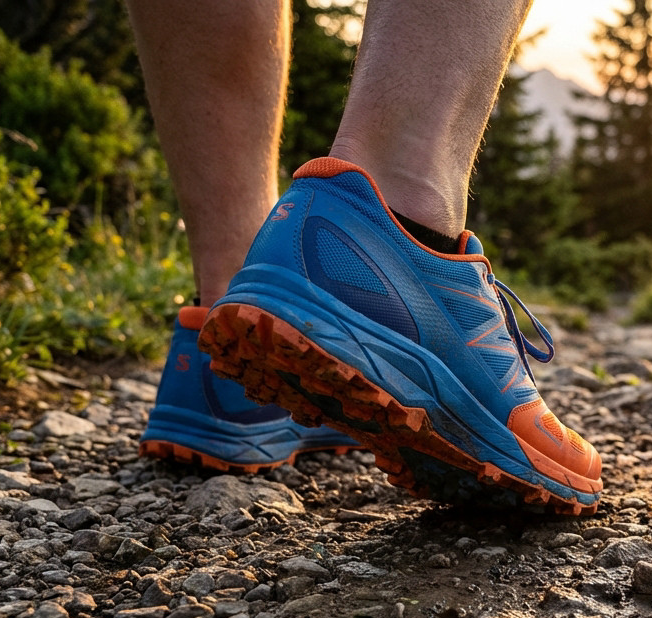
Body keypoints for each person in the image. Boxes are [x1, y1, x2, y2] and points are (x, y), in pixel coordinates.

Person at [128, 0, 602, 515]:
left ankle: (226, 313)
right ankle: (407, 220)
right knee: (405, 182)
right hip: (376, 260)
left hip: (259, 289)